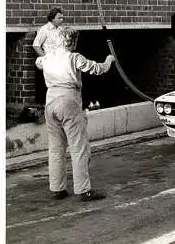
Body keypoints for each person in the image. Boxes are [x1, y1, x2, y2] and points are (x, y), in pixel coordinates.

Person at [35, 27, 115, 201]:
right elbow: (98, 69)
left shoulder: (47, 58)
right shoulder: (74, 58)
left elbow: (38, 62)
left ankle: (57, 188)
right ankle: (83, 190)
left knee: (56, 148)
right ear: (73, 41)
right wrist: (109, 60)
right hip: (69, 101)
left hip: (50, 102)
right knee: (78, 147)